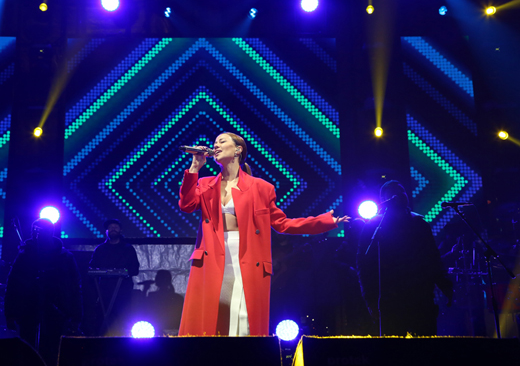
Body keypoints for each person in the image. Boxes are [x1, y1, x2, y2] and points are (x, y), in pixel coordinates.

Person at [178, 132, 349, 336]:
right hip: (212, 253)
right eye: (214, 142)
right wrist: (194, 168)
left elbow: (282, 224)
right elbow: (186, 205)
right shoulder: (205, 184)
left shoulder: (260, 188)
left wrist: (324, 222)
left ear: (238, 150)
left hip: (246, 253)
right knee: (213, 312)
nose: (216, 145)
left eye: (222, 141)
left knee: (242, 312)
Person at [357, 180, 453, 336]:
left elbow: (433, 258)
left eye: (402, 191)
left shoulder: (419, 224)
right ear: (384, 200)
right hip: (390, 300)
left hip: (421, 298)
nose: (400, 195)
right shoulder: (373, 226)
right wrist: (370, 299)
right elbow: (364, 265)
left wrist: (445, 285)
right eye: (394, 193)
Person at [4, 218, 82, 366]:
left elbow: (74, 287)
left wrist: (76, 315)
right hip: (28, 311)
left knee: (52, 353)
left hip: (57, 312)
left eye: (41, 231)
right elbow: (13, 284)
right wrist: (10, 314)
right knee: (28, 352)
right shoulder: (24, 255)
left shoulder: (65, 257)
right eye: (36, 231)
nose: (38, 234)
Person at [89, 219, 140, 335]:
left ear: (120, 230)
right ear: (106, 231)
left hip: (123, 291)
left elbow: (135, 269)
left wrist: (123, 272)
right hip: (105, 291)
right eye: (110, 227)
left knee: (123, 318)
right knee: (103, 317)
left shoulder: (128, 249)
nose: (113, 229)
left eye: (116, 227)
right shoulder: (100, 249)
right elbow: (92, 267)